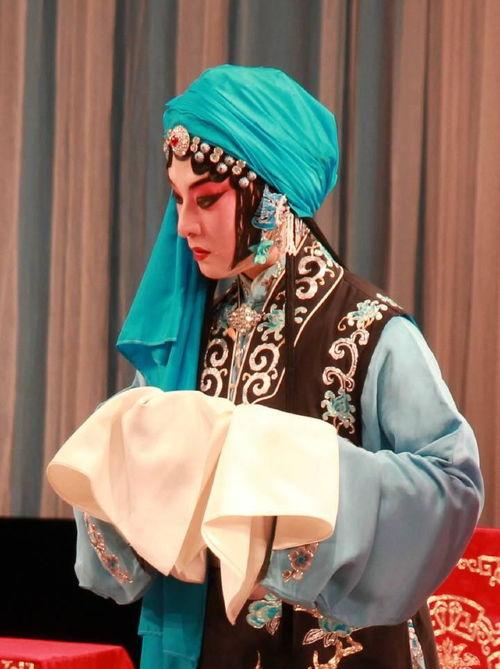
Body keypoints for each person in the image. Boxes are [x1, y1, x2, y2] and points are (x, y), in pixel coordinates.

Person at [67, 65, 483, 669]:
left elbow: (453, 488)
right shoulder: (193, 338)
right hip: (219, 647)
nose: (183, 225)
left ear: (271, 198)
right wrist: (123, 459)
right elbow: (129, 509)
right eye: (178, 199)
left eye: (206, 199)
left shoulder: (370, 331)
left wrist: (296, 465)